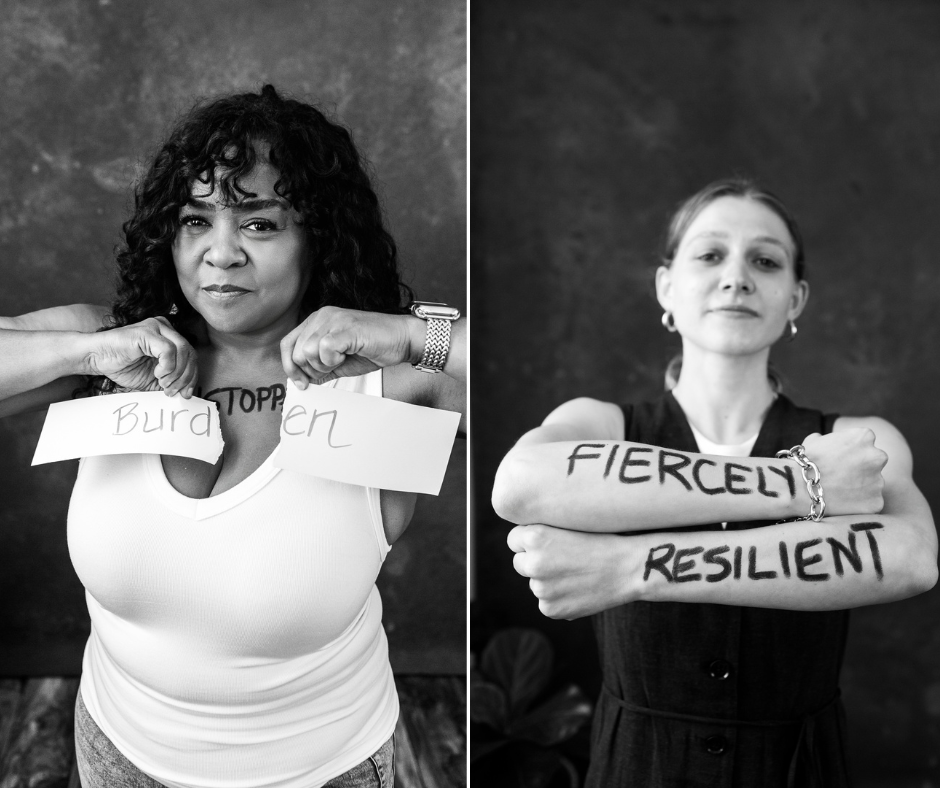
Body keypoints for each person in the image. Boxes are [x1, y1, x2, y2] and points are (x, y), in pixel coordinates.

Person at [0, 85, 465, 788]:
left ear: (319, 235)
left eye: (260, 224)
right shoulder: (113, 351)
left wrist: (404, 331)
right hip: (115, 750)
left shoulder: (396, 383)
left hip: (319, 771)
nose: (220, 255)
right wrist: (86, 356)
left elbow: (543, 396)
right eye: (195, 220)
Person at [492, 178, 936, 788]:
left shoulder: (857, 441)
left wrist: (629, 566)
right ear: (665, 287)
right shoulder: (600, 422)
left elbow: (912, 557)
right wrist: (801, 484)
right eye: (709, 254)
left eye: (765, 260)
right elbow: (518, 482)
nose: (737, 276)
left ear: (796, 299)